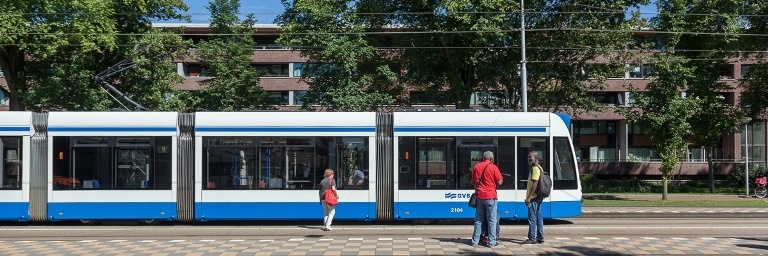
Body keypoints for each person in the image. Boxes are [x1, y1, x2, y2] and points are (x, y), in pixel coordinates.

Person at [470, 151, 503, 248]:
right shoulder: (493, 167)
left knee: (478, 219)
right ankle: (492, 242)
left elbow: (473, 181)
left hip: (480, 196)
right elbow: (500, 181)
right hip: (490, 196)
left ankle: (475, 241)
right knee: (492, 220)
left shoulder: (476, 166)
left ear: (483, 158)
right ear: (491, 159)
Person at [523, 151, 545, 245]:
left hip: (534, 197)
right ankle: (540, 237)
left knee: (532, 218)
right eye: (528, 157)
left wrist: (529, 197)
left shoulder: (535, 169)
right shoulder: (540, 168)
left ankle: (532, 238)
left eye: (530, 157)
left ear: (536, 158)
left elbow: (535, 184)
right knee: (539, 216)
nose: (529, 159)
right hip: (539, 196)